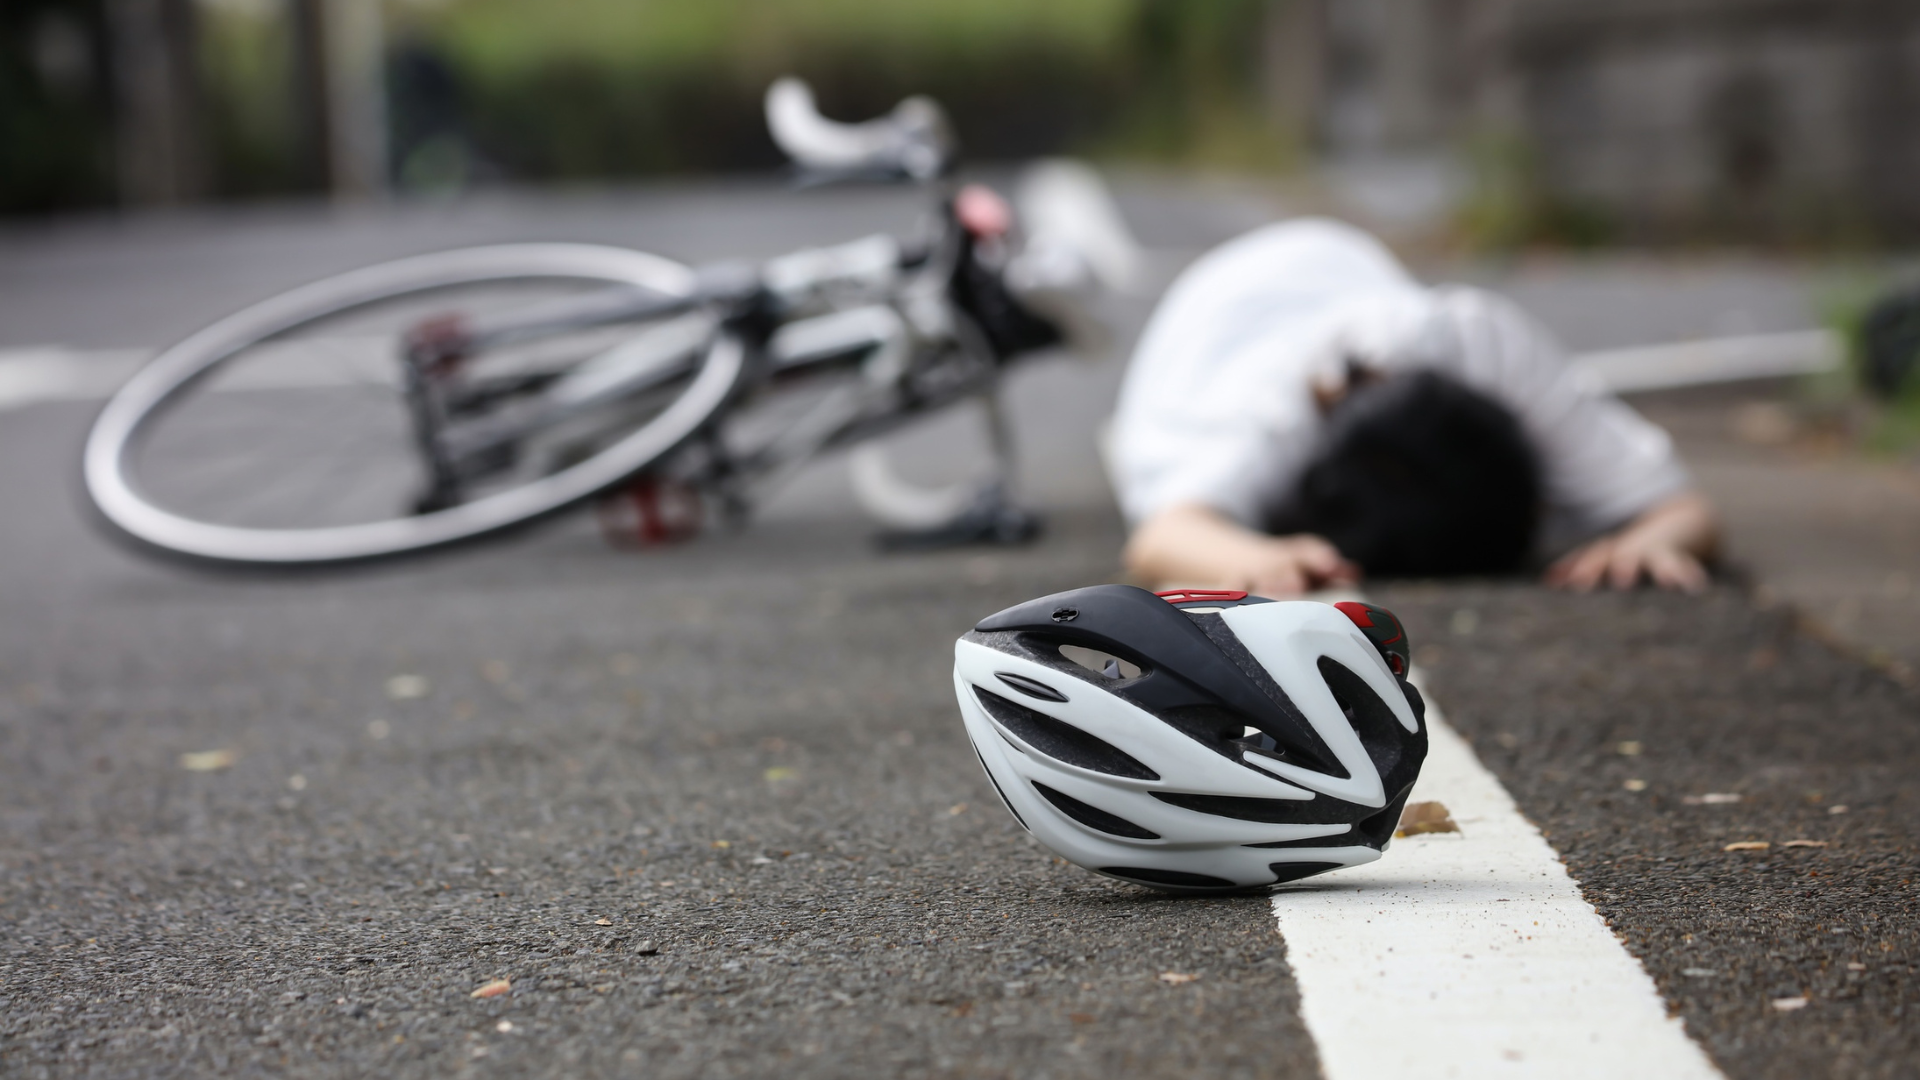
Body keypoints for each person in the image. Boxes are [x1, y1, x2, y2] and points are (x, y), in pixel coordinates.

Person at [1108, 218, 1717, 598]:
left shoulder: (1480, 340)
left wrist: (1652, 541)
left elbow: (1687, 511)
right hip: (1200, 326)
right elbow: (1162, 538)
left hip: (1341, 260)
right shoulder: (1266, 411)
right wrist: (1263, 556)